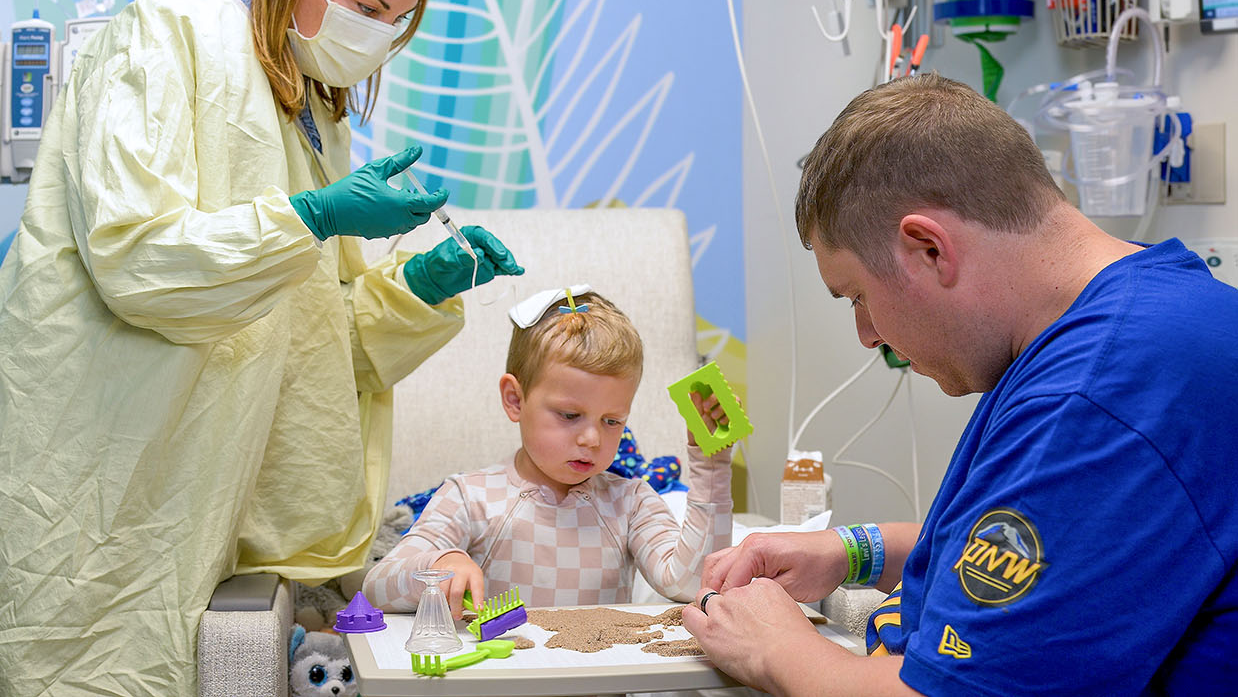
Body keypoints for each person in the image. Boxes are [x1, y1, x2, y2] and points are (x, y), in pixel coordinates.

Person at [0, 0, 523, 697]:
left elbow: (309, 354)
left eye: (397, 21)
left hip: (200, 504)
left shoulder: (314, 119)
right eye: (367, 7)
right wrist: (314, 217)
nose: (379, 37)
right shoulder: (166, 40)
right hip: (92, 487)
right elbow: (138, 260)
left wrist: (418, 287)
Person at [683, 73, 1238, 696]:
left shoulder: (1095, 395)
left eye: (857, 296)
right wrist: (852, 551)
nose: (866, 334)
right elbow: (1061, 554)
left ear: (928, 248)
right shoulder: (1146, 311)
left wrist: (775, 649)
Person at [363, 286, 735, 612]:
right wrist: (439, 564)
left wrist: (712, 465)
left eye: (612, 421)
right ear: (514, 399)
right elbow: (377, 587)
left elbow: (692, 584)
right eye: (570, 415)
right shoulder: (469, 498)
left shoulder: (630, 502)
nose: (592, 439)